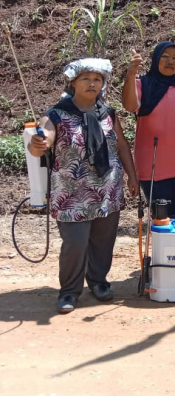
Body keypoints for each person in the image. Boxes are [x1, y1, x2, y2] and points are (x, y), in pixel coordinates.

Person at [28, 59, 139, 314]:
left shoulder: (108, 113)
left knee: (103, 242)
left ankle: (99, 282)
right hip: (71, 194)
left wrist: (132, 176)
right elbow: (42, 141)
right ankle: (69, 290)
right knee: (75, 244)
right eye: (86, 78)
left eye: (97, 79)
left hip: (107, 190)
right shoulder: (56, 114)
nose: (92, 83)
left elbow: (121, 145)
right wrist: (38, 143)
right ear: (73, 82)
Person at [122, 42, 175, 217]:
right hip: (151, 169)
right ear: (155, 59)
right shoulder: (141, 85)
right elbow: (129, 106)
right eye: (165, 56)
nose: (170, 61)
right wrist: (131, 74)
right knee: (162, 221)